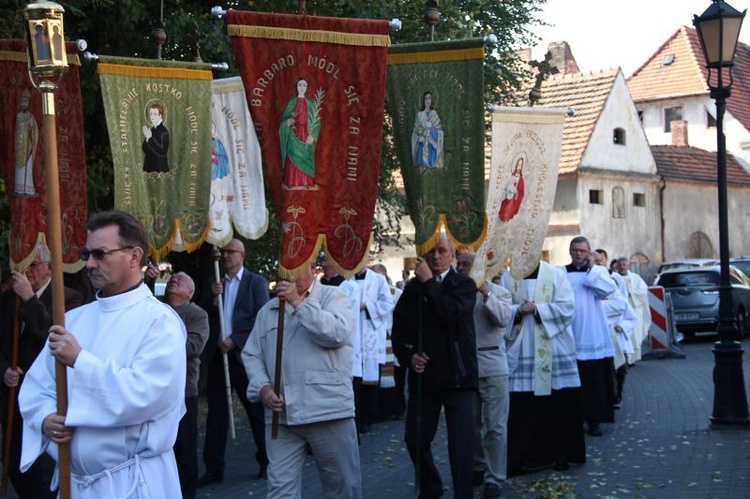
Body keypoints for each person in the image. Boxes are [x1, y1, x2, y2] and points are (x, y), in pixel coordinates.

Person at [18, 210, 187, 497]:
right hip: (76, 485)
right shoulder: (74, 320)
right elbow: (39, 386)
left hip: (131, 482)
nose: (90, 264)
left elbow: (145, 396)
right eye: (87, 254)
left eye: (100, 254)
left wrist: (80, 362)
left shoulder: (160, 322)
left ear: (134, 257)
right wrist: (45, 418)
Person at [242, 262, 360, 498]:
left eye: (295, 268)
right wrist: (263, 388)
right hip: (282, 417)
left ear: (313, 269)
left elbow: (337, 334)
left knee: (342, 489)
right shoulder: (269, 310)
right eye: (285, 269)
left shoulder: (334, 297)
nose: (288, 275)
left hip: (327, 411)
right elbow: (251, 354)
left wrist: (299, 302)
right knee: (280, 491)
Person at [392, 234, 477, 498]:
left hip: (458, 377)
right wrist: (409, 356)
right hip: (424, 379)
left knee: (461, 448)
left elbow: (448, 313)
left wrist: (429, 282)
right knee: (415, 439)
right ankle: (431, 488)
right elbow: (399, 334)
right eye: (431, 252)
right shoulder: (412, 289)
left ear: (452, 255)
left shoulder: (463, 284)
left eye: (442, 251)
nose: (436, 257)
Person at [0, 245, 82, 498]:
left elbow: (53, 337)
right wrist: (4, 370)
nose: (27, 272)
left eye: (33, 265)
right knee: (14, 462)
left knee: (43, 469)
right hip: (12, 396)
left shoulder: (69, 298)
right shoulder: (6, 299)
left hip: (48, 396)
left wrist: (30, 300)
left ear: (49, 268)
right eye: (22, 266)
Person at [198, 238, 269, 486]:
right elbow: (202, 313)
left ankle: (266, 461)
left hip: (244, 356)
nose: (225, 255)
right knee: (216, 415)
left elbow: (261, 315)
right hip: (220, 357)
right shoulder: (216, 282)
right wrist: (212, 297)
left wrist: (236, 340)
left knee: (256, 411)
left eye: (230, 252)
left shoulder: (255, 282)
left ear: (242, 255)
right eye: (223, 252)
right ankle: (213, 468)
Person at [502, 261, 584, 473]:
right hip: (521, 351)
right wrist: (517, 311)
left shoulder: (554, 274)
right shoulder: (508, 278)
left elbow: (567, 307)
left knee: (558, 406)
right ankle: (520, 459)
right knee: (522, 409)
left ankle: (561, 456)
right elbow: (501, 309)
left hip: (554, 349)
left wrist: (538, 309)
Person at [455, 252, 512, 499]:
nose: (461, 268)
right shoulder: (455, 291)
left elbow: (502, 319)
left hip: (493, 368)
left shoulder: (500, 293)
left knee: (495, 427)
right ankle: (478, 466)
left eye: (466, 265)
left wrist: (485, 292)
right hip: (466, 369)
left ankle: (495, 477)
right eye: (459, 264)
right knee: (471, 426)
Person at [561, 236, 617, 437]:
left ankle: (594, 421)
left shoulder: (598, 272)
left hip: (592, 334)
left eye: (583, 251)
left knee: (593, 381)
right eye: (575, 250)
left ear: (589, 252)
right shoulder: (560, 273)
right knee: (571, 382)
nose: (578, 254)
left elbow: (608, 289)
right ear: (570, 251)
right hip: (568, 333)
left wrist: (592, 267)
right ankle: (575, 419)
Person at [163, 272, 209, 499]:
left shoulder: (196, 315)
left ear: (190, 292)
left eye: (180, 280)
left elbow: (193, 346)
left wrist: (156, 345)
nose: (173, 279)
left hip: (183, 391)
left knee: (185, 451)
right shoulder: (157, 307)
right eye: (172, 278)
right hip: (157, 391)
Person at [340, 261, 394, 434]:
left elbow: (387, 303)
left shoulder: (378, 280)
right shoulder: (346, 280)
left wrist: (366, 307)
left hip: (370, 330)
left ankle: (368, 418)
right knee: (355, 379)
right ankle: (355, 416)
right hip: (354, 334)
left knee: (369, 379)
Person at [279, 78, 320, 189]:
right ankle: (292, 181)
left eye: (304, 85)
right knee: (292, 158)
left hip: (306, 135)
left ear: (307, 88)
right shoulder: (291, 103)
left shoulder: (311, 105)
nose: (302, 87)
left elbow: (316, 123)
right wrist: (287, 123)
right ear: (296, 87)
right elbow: (282, 124)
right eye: (299, 85)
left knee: (307, 157)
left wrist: (313, 136)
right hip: (293, 135)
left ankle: (306, 182)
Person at [616, 257, 651, 364]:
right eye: (620, 265)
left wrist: (630, 291)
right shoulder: (613, 277)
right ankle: (622, 359)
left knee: (634, 334)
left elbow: (643, 292)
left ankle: (633, 359)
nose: (622, 267)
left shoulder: (636, 278)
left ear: (628, 266)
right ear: (617, 266)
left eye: (624, 265)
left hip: (634, 309)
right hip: (620, 311)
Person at [14, 89, 39, 197]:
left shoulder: (30, 116)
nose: (23, 104)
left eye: (25, 102)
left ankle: (28, 189)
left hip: (27, 146)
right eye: (22, 101)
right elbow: (16, 130)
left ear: (28, 103)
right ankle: (19, 189)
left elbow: (35, 131)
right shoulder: (18, 116)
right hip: (19, 145)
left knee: (27, 169)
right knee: (19, 170)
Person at [411, 91, 444, 169]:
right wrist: (419, 138)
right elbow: (415, 132)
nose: (428, 101)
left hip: (431, 148)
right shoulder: (419, 115)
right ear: (423, 100)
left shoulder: (434, 114)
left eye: (430, 98)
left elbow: (440, 133)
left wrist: (431, 127)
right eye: (426, 98)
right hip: (421, 148)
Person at [142, 103, 170, 173]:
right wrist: (147, 138)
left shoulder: (163, 131)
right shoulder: (151, 130)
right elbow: (144, 149)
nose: (152, 116)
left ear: (160, 116)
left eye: (155, 114)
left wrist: (150, 138)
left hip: (159, 168)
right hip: (149, 167)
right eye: (151, 114)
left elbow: (163, 151)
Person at [498, 155, 525, 222]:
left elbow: (521, 190)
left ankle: (507, 218)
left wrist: (517, 192)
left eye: (521, 165)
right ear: (515, 165)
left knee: (509, 210)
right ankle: (502, 218)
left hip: (514, 199)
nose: (519, 167)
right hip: (507, 196)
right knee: (504, 209)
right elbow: (505, 185)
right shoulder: (511, 176)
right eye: (518, 165)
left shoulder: (521, 179)